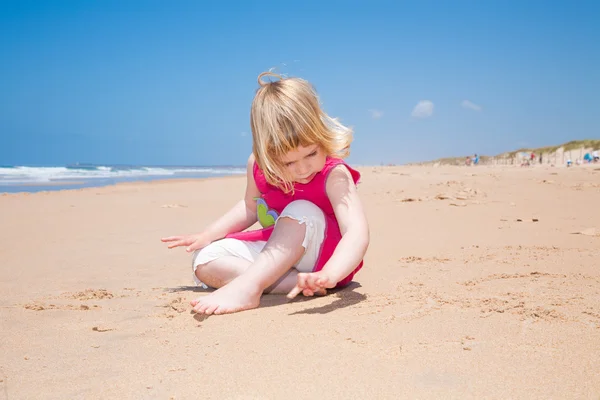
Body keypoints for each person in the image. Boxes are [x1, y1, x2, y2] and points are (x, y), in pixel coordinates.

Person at [161, 72, 370, 315]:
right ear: (266, 153)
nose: (302, 169)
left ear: (321, 136)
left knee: (300, 209)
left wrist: (332, 273)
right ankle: (297, 283)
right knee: (206, 259)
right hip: (280, 255)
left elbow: (356, 231)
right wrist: (208, 234)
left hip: (324, 257)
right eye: (288, 163)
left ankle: (250, 286)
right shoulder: (258, 165)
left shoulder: (335, 174)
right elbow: (250, 208)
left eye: (311, 154)